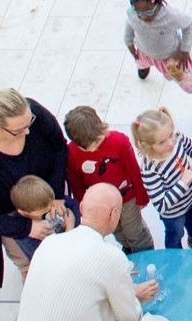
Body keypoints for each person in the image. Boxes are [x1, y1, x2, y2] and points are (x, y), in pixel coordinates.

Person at [0, 85, 72, 287]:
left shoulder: (31, 113)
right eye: (19, 130)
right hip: (9, 214)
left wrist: (55, 194)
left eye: (30, 123)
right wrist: (26, 227)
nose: (28, 131)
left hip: (47, 193)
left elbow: (58, 147)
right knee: (29, 261)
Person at [14, 183, 159, 321]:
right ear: (113, 214)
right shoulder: (112, 257)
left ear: (81, 208)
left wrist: (124, 291)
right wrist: (132, 298)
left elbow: (73, 291)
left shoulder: (48, 244)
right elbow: (131, 318)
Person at [63, 105, 155, 254]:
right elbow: (76, 181)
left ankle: (145, 252)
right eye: (87, 148)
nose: (93, 149)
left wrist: (142, 196)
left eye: (97, 142)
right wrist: (84, 204)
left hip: (127, 198)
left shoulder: (119, 141)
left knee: (134, 231)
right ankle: (128, 249)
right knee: (116, 230)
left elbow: (134, 171)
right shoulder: (71, 152)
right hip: (101, 203)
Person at [131, 106, 192, 249]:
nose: (170, 142)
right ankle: (175, 255)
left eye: (171, 135)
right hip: (174, 214)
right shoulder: (150, 169)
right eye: (161, 142)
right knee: (175, 235)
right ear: (147, 146)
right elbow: (161, 205)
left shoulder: (177, 139)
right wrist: (183, 183)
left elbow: (191, 146)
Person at [9, 175, 76, 263]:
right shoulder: (21, 232)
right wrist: (70, 228)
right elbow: (49, 257)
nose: (51, 208)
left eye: (52, 203)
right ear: (23, 212)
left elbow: (74, 205)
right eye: (44, 209)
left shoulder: (46, 199)